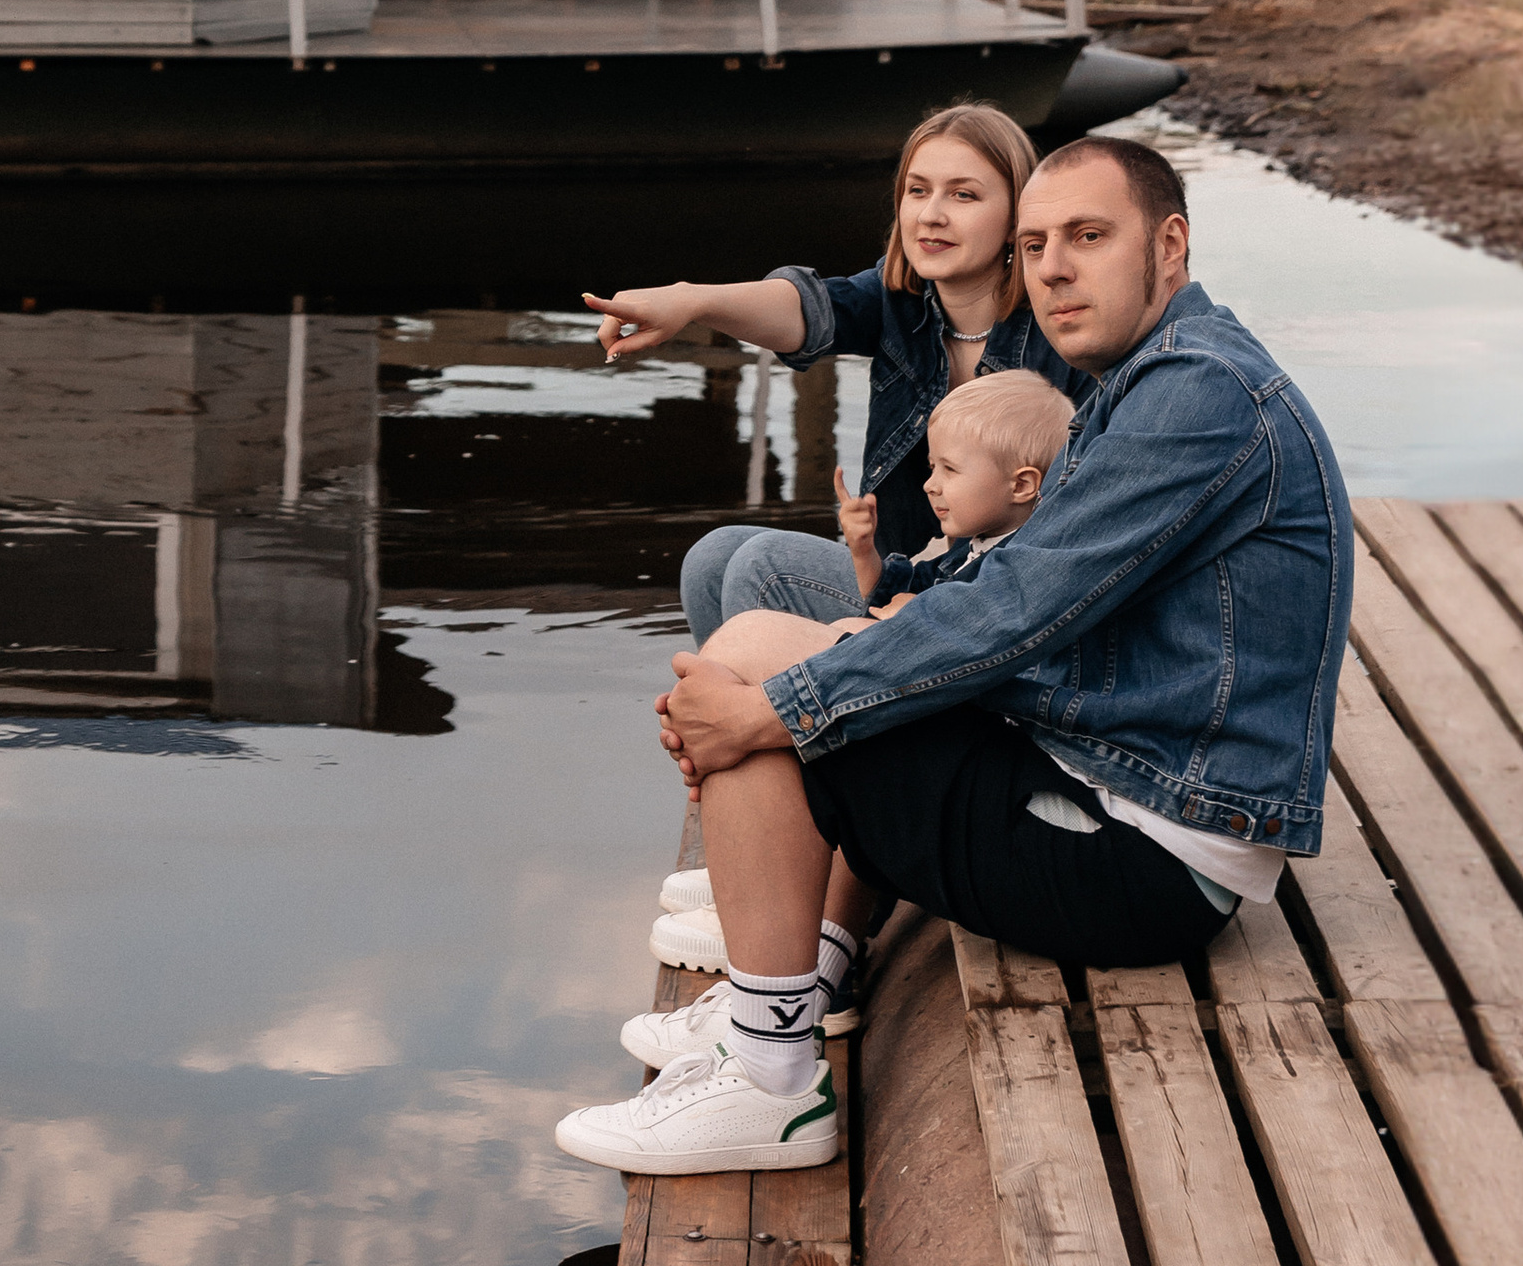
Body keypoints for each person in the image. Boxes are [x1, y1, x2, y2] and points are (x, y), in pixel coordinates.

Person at [556, 133, 1353, 1178]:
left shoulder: (1197, 398)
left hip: (1150, 854)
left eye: (1087, 237)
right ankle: (803, 985)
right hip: (1110, 775)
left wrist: (787, 704)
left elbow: (1021, 606)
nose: (1053, 268)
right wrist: (861, 637)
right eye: (1034, 246)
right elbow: (1011, 591)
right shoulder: (1144, 375)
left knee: (767, 693)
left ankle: (770, 1081)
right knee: (761, 647)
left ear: (1169, 244)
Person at [623, 368, 1078, 1082]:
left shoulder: (1020, 565)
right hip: (984, 750)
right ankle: (796, 959)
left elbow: (958, 637)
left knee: (790, 674)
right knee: (776, 638)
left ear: (1022, 485)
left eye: (949, 470)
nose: (929, 484)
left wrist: (879, 632)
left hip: (1006, 770)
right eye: (932, 466)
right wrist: (865, 559)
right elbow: (901, 598)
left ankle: (781, 1021)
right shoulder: (966, 551)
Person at [584, 103, 1078, 651]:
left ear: (1016, 218)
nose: (931, 215)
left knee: (763, 566)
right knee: (712, 557)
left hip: (988, 597)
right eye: (918, 191)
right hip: (900, 573)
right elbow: (807, 309)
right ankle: (741, 725)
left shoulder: (1061, 332)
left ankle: (771, 725)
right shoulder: (902, 304)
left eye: (963, 195)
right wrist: (691, 301)